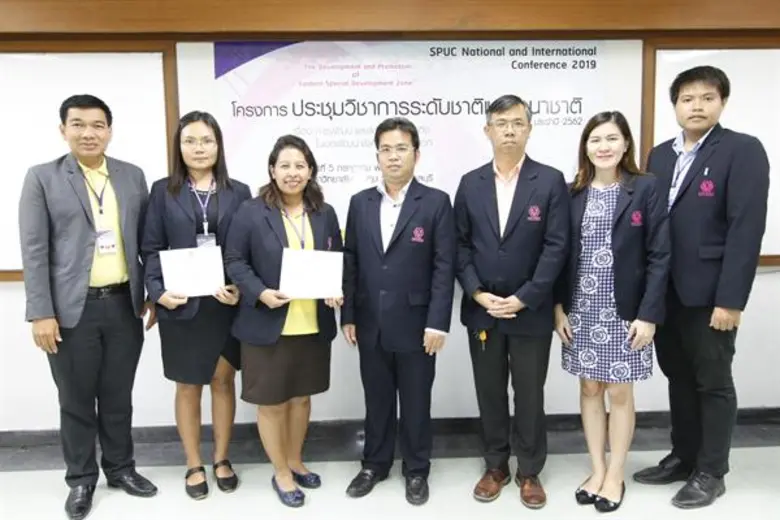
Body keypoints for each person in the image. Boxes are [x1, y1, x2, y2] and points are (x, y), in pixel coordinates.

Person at [631, 66, 770, 509]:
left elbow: (746, 229)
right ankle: (684, 455)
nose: (696, 106)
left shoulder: (742, 151)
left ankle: (711, 470)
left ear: (722, 103)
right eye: (687, 98)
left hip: (710, 296)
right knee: (678, 377)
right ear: (675, 105)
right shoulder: (659, 156)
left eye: (706, 98)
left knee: (712, 382)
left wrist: (731, 299)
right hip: (664, 293)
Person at [18, 94, 157, 520]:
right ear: (63, 130)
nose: (88, 132)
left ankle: (120, 468)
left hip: (122, 305)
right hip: (69, 311)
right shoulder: (42, 177)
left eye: (97, 125)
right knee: (76, 398)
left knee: (118, 396)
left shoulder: (133, 177)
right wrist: (41, 312)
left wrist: (152, 291)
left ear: (110, 131)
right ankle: (81, 480)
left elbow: (149, 243)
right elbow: (35, 249)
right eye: (78, 124)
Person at [453, 94, 569, 508]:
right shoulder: (470, 183)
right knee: (489, 391)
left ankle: (530, 470)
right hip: (483, 309)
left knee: (530, 393)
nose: (509, 130)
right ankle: (496, 465)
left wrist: (525, 297)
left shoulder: (551, 180)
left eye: (517, 123)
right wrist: (477, 292)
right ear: (487, 130)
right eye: (501, 123)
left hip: (530, 311)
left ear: (529, 129)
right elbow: (460, 245)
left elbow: (556, 248)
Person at [553, 111, 670, 513]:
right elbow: (558, 255)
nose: (603, 147)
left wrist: (649, 314)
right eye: (594, 140)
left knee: (620, 392)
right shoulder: (572, 193)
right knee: (589, 389)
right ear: (585, 147)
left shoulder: (645, 188)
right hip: (581, 309)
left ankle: (616, 473)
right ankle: (597, 468)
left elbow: (660, 255)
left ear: (625, 145)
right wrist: (558, 307)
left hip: (626, 312)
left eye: (611, 138)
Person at [341, 117, 455, 506]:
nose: (393, 156)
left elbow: (444, 266)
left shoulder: (436, 202)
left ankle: (417, 469)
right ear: (377, 155)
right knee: (377, 399)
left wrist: (438, 321)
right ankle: (374, 463)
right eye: (386, 149)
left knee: (417, 400)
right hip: (370, 321)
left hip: (417, 323)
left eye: (401, 148)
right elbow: (351, 261)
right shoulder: (360, 202)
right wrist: (349, 315)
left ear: (416, 154)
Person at [224, 134, 343, 508]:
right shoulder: (251, 211)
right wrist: (259, 292)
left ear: (311, 171)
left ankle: (295, 459)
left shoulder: (325, 212)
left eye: (300, 166)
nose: (293, 173)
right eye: (285, 165)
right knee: (272, 403)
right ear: (272, 170)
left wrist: (335, 289)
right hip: (267, 322)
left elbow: (337, 258)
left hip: (311, 323)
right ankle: (281, 471)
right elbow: (234, 260)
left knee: (301, 399)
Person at [141, 111, 251, 499]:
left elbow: (246, 249)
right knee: (188, 386)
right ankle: (193, 462)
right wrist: (158, 293)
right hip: (181, 304)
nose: (199, 148)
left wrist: (239, 287)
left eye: (207, 140)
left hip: (225, 304)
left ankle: (221, 458)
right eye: (191, 141)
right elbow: (150, 249)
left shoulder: (239, 191)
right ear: (179, 147)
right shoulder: (162, 191)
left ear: (218, 145)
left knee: (223, 381)